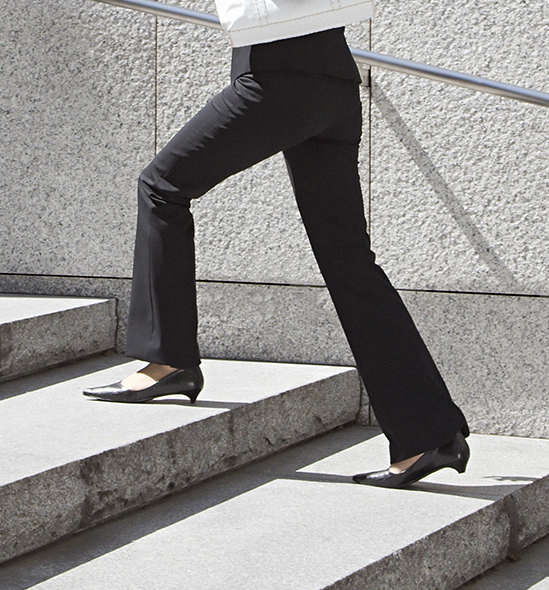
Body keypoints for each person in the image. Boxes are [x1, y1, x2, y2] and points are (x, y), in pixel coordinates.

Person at [83, 27, 470, 489]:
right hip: (336, 87)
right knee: (350, 262)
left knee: (162, 186)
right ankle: (428, 435)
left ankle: (168, 361)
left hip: (276, 77)